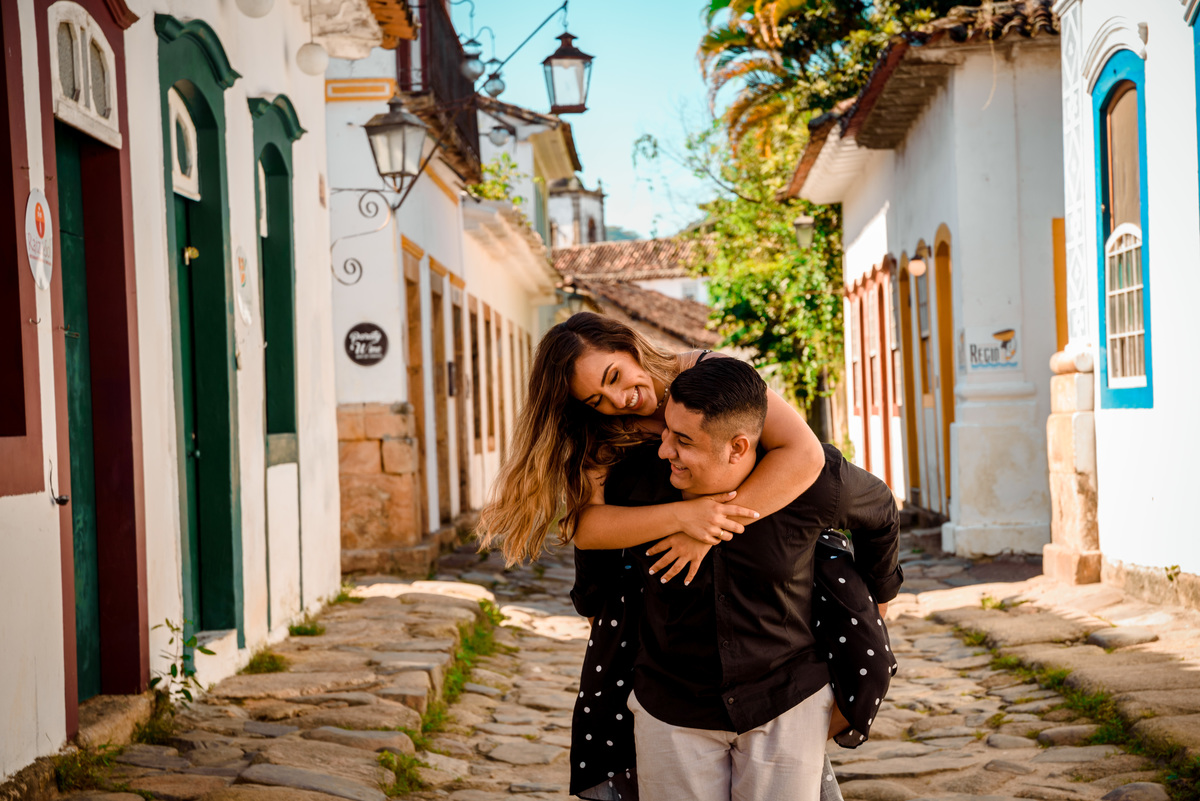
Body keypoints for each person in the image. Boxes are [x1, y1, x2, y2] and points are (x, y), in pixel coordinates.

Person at [589, 357, 902, 801]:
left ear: (737, 446)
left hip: (786, 703)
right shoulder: (635, 484)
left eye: (682, 440)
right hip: (670, 710)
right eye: (665, 433)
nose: (664, 451)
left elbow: (882, 513)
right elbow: (594, 564)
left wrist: (880, 603)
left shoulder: (813, 485)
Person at [477, 312, 826, 578]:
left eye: (613, 376)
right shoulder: (601, 430)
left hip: (771, 578)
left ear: (628, 345)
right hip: (661, 612)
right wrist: (685, 517)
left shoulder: (713, 373)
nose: (617, 400)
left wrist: (710, 530)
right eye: (596, 399)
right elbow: (587, 528)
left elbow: (805, 453)